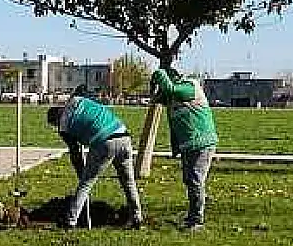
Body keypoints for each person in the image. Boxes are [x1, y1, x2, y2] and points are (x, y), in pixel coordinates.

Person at [46, 96, 143, 229]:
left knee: (86, 184)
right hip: (123, 135)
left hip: (103, 142)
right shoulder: (77, 100)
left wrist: (81, 172)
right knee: (128, 181)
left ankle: (70, 221)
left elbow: (75, 153)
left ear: (56, 120)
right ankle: (137, 217)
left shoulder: (63, 126)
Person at [151, 68, 219, 231]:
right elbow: (157, 98)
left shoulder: (189, 87)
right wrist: (153, 85)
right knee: (190, 180)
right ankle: (193, 213)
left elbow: (170, 89)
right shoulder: (173, 96)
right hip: (189, 145)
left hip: (202, 142)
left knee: (195, 179)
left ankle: (197, 220)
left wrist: (159, 72)